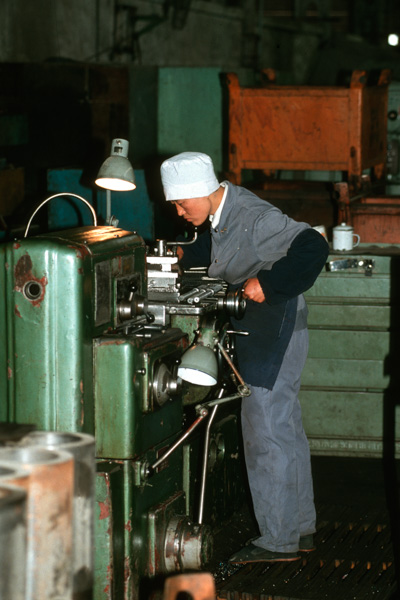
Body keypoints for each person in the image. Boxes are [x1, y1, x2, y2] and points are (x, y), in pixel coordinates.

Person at [160, 151, 329, 563]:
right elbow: (222, 247)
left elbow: (313, 246)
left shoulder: (253, 215)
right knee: (284, 428)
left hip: (274, 323)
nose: (180, 212)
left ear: (203, 191)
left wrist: (268, 284)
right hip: (268, 324)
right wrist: (186, 258)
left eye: (183, 204)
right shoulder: (223, 212)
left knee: (266, 431)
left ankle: (278, 541)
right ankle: (299, 529)